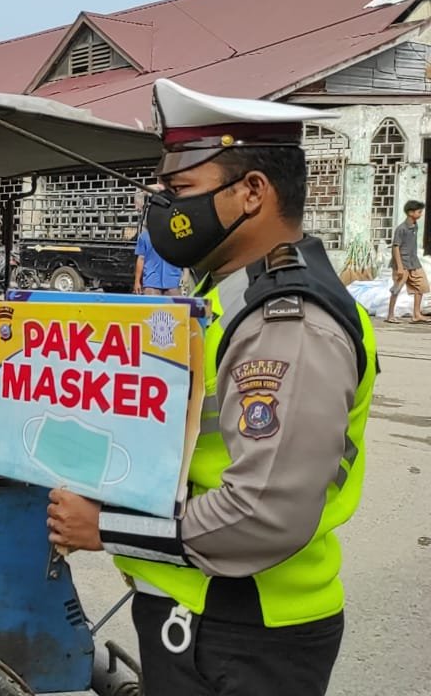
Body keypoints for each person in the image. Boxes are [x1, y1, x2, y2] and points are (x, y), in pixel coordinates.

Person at [46, 79, 377, 696]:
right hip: (197, 610)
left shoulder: (290, 321)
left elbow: (261, 513)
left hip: (246, 628)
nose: (164, 211)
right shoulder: (223, 293)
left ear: (252, 192)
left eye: (180, 192)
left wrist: (106, 528)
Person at [133, 186, 184, 295]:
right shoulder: (145, 236)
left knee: (174, 310)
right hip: (151, 282)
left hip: (172, 281)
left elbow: (184, 255)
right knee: (150, 311)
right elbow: (141, 259)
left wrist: (185, 276)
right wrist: (137, 281)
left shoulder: (176, 234)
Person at [386, 199, 427, 324]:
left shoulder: (415, 225)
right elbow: (395, 247)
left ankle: (416, 314)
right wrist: (399, 266)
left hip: (413, 261)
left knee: (422, 285)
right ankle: (390, 315)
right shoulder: (401, 229)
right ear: (410, 212)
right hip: (402, 262)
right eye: (419, 212)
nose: (421, 214)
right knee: (397, 288)